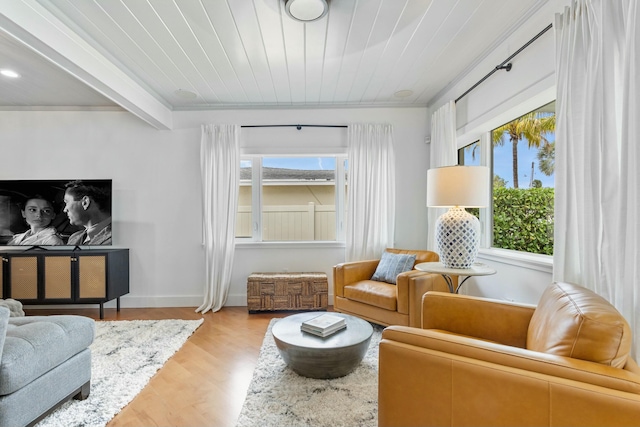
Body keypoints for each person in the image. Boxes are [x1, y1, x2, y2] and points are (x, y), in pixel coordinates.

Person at [63, 180, 112, 245]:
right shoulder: (74, 237)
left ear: (85, 202)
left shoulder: (113, 240)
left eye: (67, 202)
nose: (65, 210)